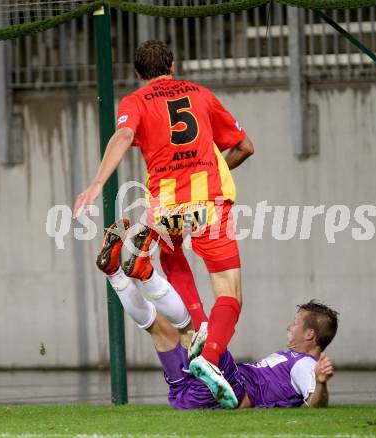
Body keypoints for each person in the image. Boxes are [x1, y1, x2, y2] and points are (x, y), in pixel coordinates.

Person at [73, 40, 254, 407]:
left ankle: (192, 326)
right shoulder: (201, 94)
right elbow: (245, 146)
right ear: (173, 63)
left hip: (166, 205)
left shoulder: (136, 102)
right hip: (208, 202)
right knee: (230, 295)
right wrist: (216, 166)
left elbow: (123, 136)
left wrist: (96, 184)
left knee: (173, 261)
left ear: (138, 74)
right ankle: (209, 355)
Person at [95, 221, 338, 409]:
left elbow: (315, 403)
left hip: (232, 389)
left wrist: (321, 383)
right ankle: (115, 273)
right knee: (159, 328)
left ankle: (145, 274)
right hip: (191, 397)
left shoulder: (306, 364)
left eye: (295, 324)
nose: (289, 326)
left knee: (196, 329)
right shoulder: (294, 358)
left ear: (310, 334)